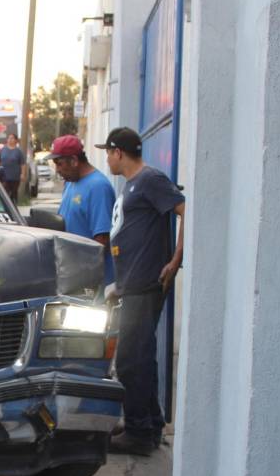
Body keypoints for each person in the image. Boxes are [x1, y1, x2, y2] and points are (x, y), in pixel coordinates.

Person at [96, 126, 185, 456]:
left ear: (118, 152)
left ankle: (137, 431)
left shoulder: (150, 179)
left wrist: (176, 258)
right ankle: (148, 423)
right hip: (131, 283)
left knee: (132, 359)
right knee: (139, 357)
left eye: (108, 152)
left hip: (147, 284)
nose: (106, 158)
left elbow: (185, 209)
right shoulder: (133, 185)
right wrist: (119, 284)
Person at [50, 135, 115, 287]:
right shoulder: (70, 183)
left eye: (59, 164)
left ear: (74, 160)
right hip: (72, 276)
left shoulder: (98, 187)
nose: (57, 170)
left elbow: (101, 241)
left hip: (92, 282)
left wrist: (83, 277)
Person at [0, 133, 26, 204]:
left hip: (15, 176)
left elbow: (23, 164)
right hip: (4, 176)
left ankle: (14, 207)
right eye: (9, 138)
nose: (10, 140)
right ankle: (6, 208)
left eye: (12, 138)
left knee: (13, 193)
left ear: (16, 140)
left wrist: (22, 174)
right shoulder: (3, 150)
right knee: (5, 193)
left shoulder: (18, 151)